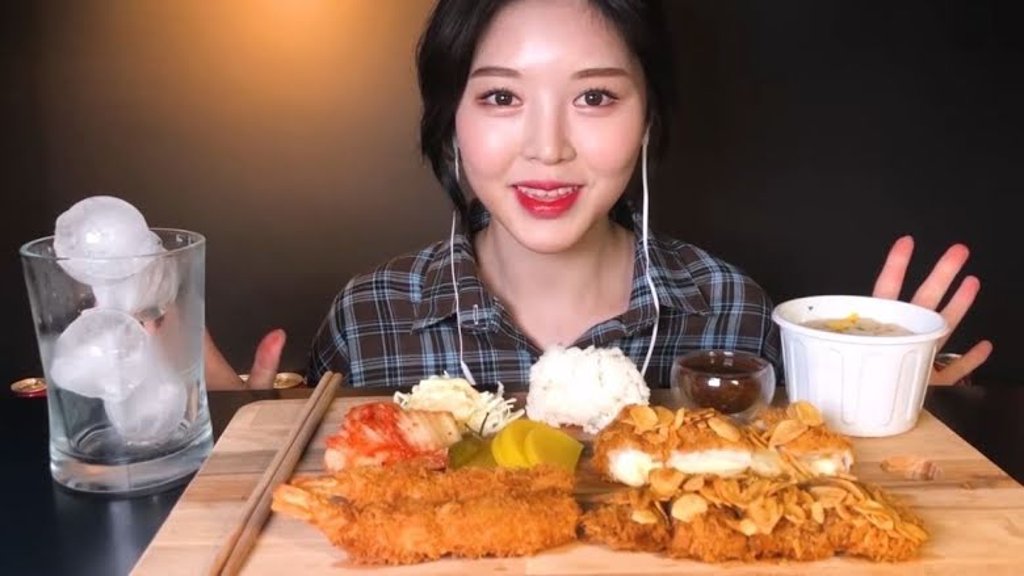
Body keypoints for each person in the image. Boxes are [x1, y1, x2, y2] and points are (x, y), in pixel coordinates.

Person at [204, 0, 991, 391]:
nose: (547, 147)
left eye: (595, 97)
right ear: (451, 123)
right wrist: (250, 443)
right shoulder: (369, 317)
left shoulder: (733, 310)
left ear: (647, 119)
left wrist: (878, 402)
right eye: (502, 97)